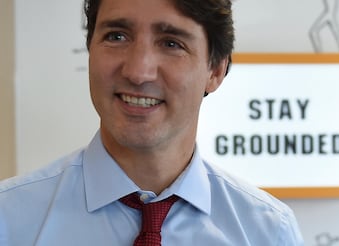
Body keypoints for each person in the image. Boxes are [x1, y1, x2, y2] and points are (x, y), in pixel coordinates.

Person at [0, 0, 304, 245]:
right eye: (116, 36)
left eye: (171, 43)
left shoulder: (268, 232)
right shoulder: (9, 220)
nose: (138, 71)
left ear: (215, 71)